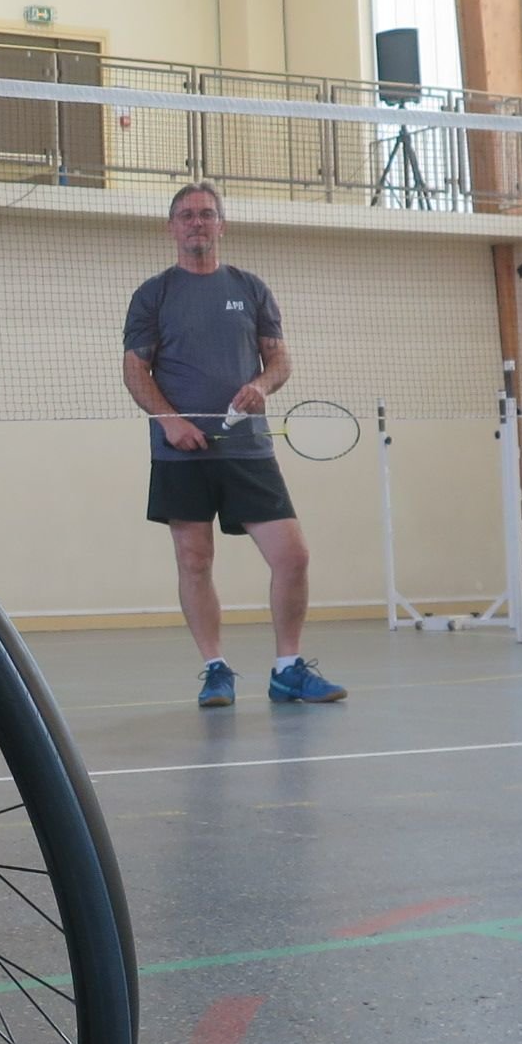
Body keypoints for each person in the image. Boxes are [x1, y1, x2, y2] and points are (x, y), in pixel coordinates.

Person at [121, 183, 343, 709]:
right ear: (171, 227)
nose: (196, 222)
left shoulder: (250, 287)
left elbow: (279, 360)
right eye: (186, 215)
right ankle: (215, 669)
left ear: (222, 225)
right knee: (194, 560)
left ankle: (288, 669)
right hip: (182, 451)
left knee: (292, 556)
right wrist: (170, 422)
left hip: (248, 448)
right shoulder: (154, 294)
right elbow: (135, 370)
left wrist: (261, 387)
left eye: (206, 214)